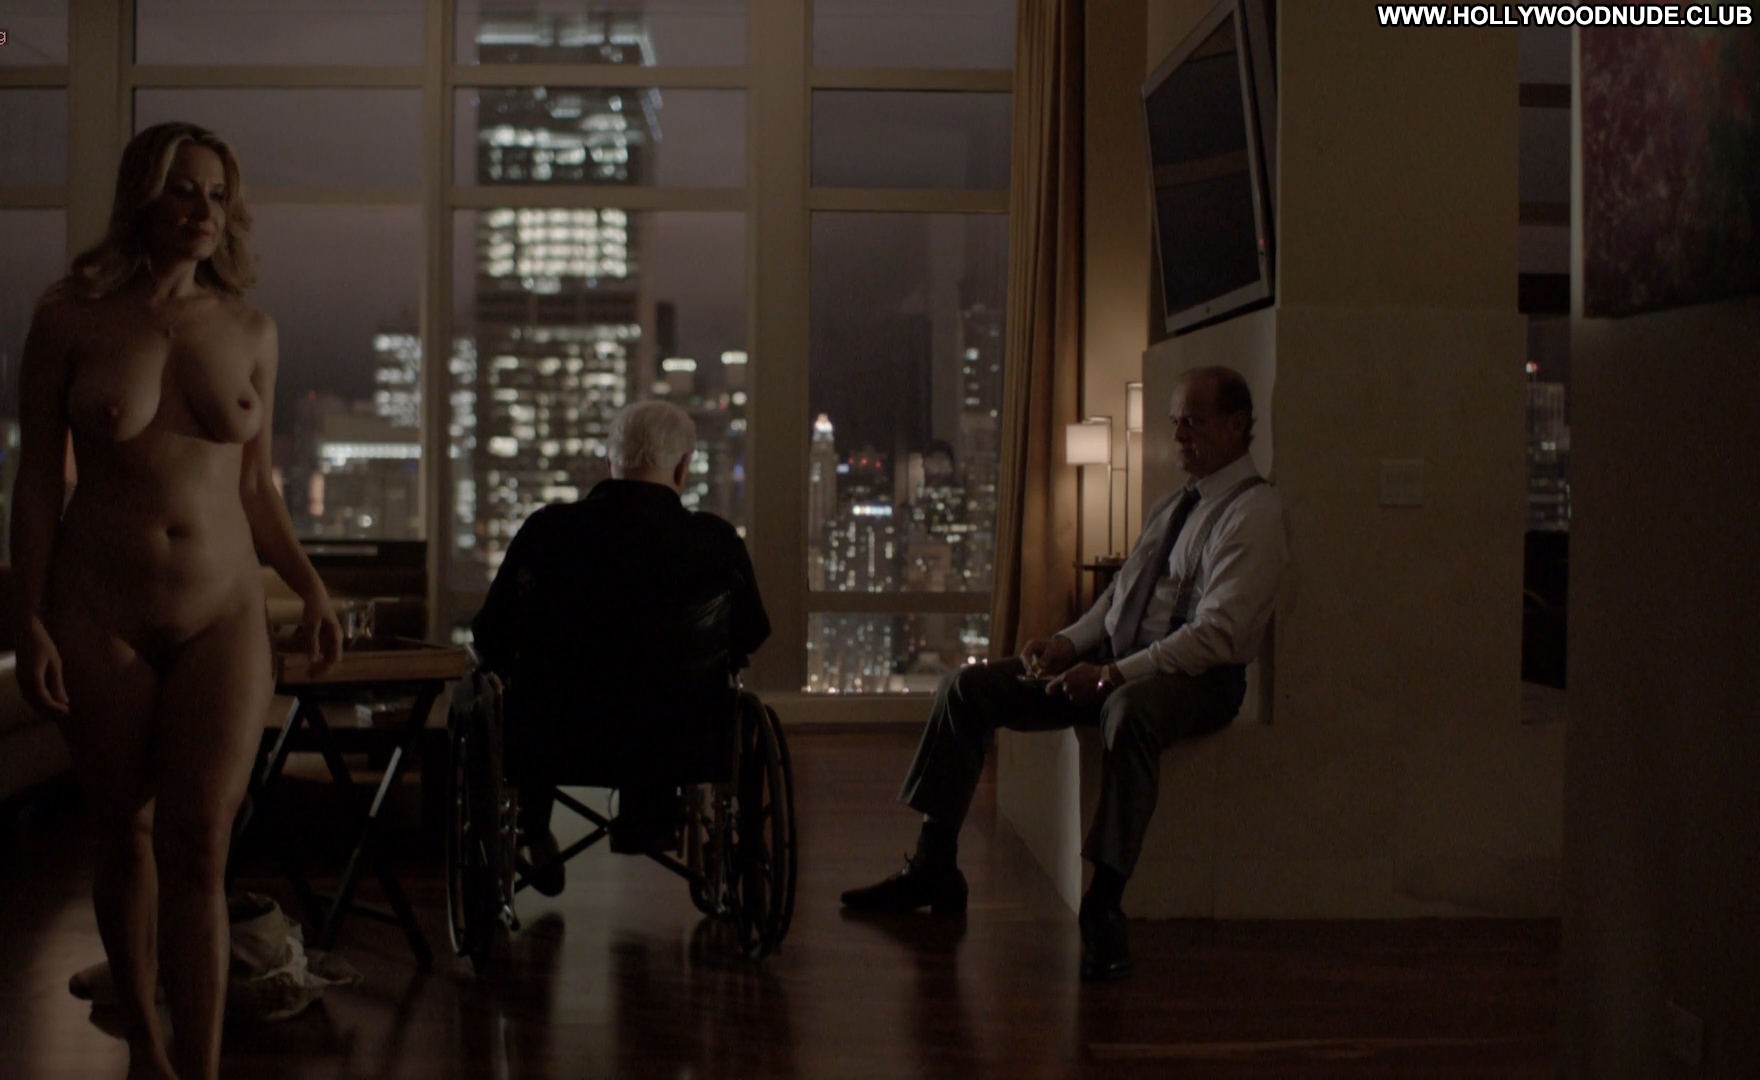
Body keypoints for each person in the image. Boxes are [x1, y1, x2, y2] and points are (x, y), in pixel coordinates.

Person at [10, 122, 343, 1079]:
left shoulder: (250, 330)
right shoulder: (69, 320)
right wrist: (28, 616)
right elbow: (36, 483)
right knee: (126, 831)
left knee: (202, 843)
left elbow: (258, 488)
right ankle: (147, 1054)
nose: (205, 211)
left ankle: (199, 1069)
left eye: (218, 194)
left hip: (223, 614)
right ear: (143, 198)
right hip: (98, 611)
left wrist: (310, 585)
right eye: (185, 190)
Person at [841, 366, 1286, 982]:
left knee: (1127, 712)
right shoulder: (1174, 504)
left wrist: (1110, 676)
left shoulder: (1254, 514)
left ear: (1237, 425)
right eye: (1176, 421)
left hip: (1199, 680)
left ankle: (1105, 902)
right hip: (1120, 664)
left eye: (1195, 421)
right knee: (967, 688)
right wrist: (1066, 645)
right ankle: (933, 864)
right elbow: (1118, 598)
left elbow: (1215, 637)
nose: (1179, 434)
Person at [471, 400, 771, 894]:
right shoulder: (715, 542)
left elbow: (492, 636)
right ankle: (663, 827)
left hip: (556, 737)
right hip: (683, 739)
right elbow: (750, 634)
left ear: (610, 461)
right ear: (683, 467)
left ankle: (531, 828)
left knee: (509, 687)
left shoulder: (547, 531)